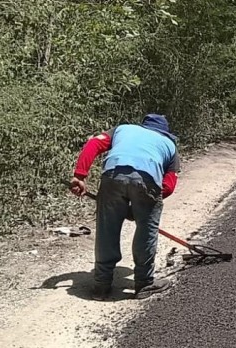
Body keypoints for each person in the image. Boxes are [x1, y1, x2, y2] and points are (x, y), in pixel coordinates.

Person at [69, 114, 180, 298]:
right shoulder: (169, 145)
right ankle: (144, 283)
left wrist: (80, 175)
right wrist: (141, 211)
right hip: (148, 179)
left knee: (107, 228)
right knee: (147, 229)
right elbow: (168, 186)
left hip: (113, 174)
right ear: (165, 132)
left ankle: (101, 284)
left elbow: (93, 144)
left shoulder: (123, 129)